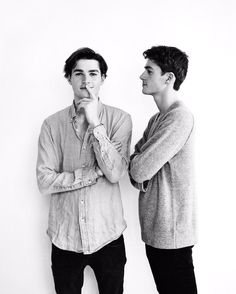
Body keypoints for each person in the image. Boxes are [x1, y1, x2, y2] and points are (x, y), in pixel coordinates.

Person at [36, 47, 132, 294]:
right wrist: (90, 175)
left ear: (103, 79)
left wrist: (95, 123)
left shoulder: (120, 119)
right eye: (78, 74)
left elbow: (114, 173)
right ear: (69, 78)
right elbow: (45, 181)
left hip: (107, 235)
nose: (86, 81)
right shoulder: (51, 125)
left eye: (93, 73)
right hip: (64, 236)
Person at [129, 45, 197, 294]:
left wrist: (141, 171)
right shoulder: (156, 120)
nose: (141, 76)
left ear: (168, 78)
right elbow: (135, 161)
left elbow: (138, 170)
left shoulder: (180, 117)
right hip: (157, 233)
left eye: (149, 70)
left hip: (172, 235)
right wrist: (140, 168)